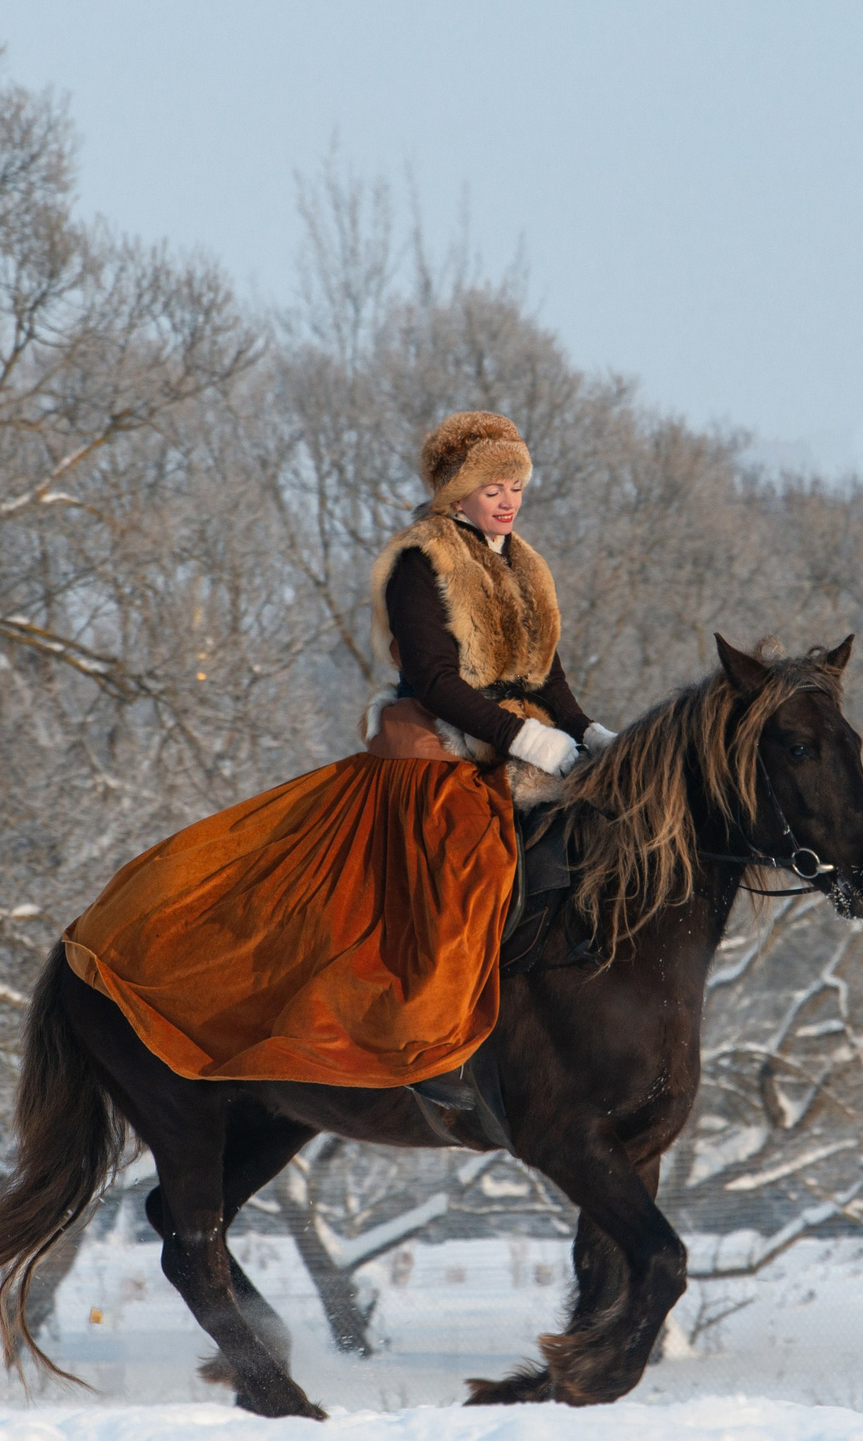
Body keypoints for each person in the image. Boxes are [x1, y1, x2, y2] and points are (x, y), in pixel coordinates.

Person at [58, 412, 605, 1136]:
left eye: (516, 486)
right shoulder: (423, 561)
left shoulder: (524, 566)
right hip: (441, 746)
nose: (509, 499)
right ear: (457, 494)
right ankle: (429, 1039)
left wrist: (591, 732)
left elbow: (548, 674)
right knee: (466, 857)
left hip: (522, 748)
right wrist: (524, 739)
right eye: (493, 486)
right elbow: (436, 679)